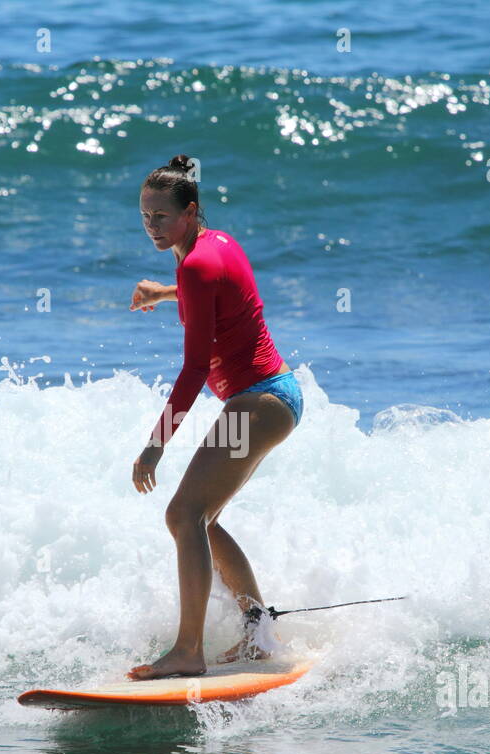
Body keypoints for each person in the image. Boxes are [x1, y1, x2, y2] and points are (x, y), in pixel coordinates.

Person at [126, 154, 304, 680]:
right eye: (144, 216)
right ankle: (258, 634)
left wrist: (156, 443)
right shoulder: (214, 245)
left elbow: (195, 368)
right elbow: (217, 295)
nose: (151, 227)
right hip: (273, 397)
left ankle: (187, 651)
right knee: (200, 520)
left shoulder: (198, 263)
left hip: (257, 402)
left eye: (161, 217)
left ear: (190, 210)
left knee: (183, 516)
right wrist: (164, 290)